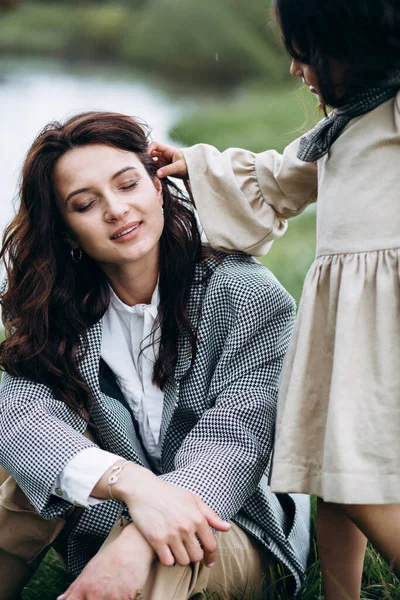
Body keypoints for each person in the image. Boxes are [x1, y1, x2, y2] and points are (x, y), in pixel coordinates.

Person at [0, 111, 310, 600]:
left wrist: (139, 537)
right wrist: (133, 487)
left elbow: (238, 442)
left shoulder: (247, 293)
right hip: (115, 507)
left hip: (230, 523)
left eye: (128, 185)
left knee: (163, 556)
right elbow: (21, 419)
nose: (117, 211)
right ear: (64, 230)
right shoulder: (53, 307)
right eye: (85, 204)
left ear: (158, 187)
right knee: (17, 480)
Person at [148, 1, 400, 599]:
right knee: (335, 471)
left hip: (386, 326)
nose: (296, 71)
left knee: (363, 484)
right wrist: (195, 165)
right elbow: (275, 183)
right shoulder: (338, 131)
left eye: (306, 56)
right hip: (349, 328)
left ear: (359, 49)